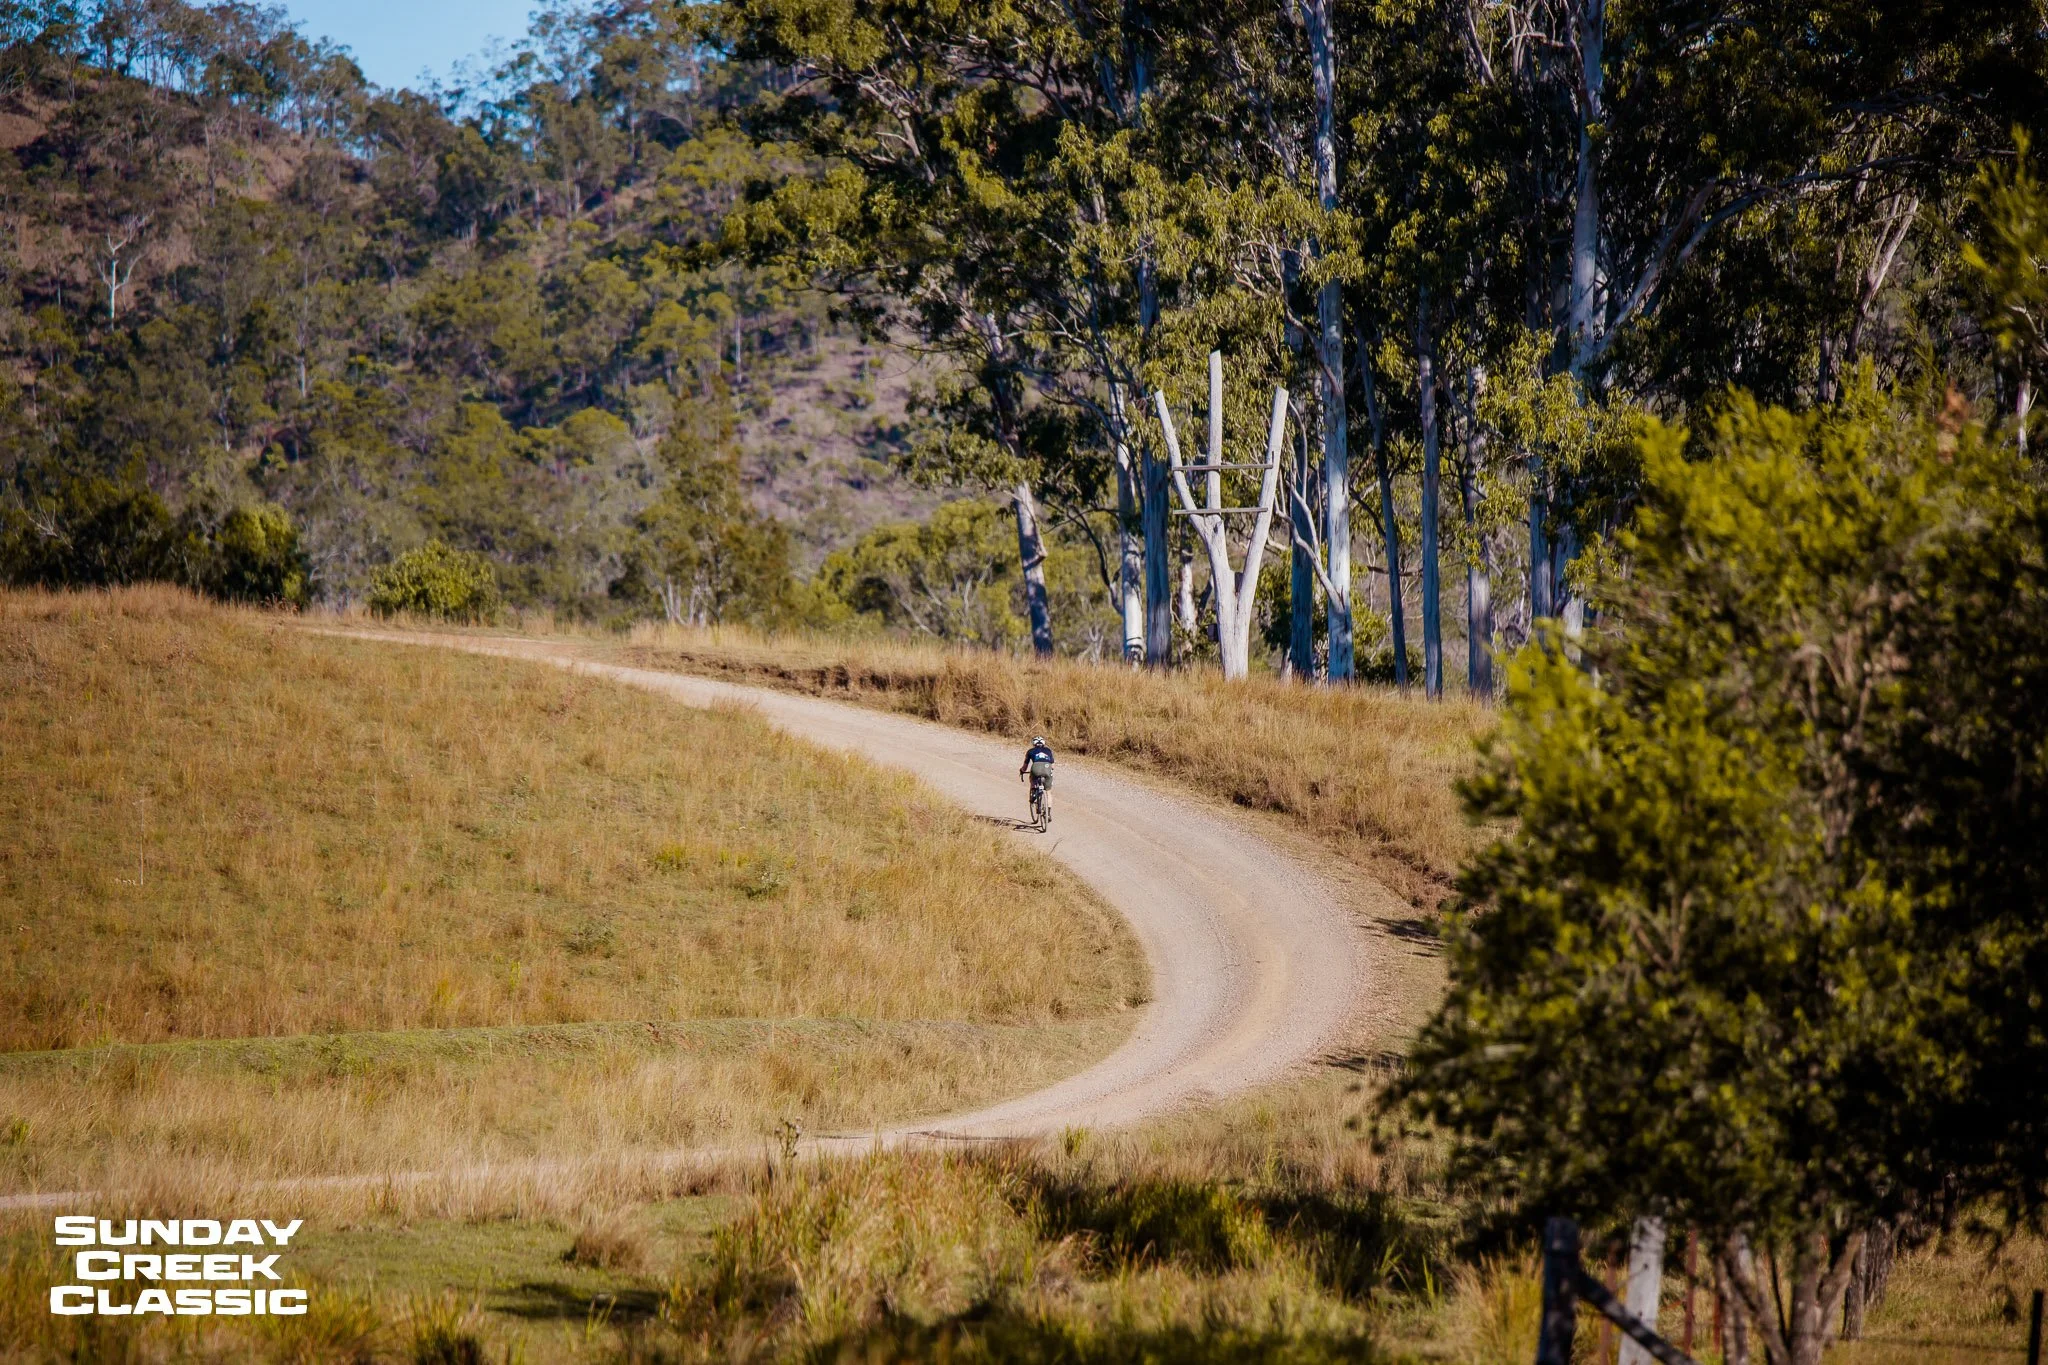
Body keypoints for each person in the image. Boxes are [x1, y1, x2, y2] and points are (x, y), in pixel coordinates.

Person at [1019, 735, 1054, 810]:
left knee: (1032, 778)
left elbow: (1025, 767)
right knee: (1048, 791)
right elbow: (1053, 766)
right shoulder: (1048, 750)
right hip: (1047, 767)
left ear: (1034, 743)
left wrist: (1022, 771)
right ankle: (1048, 812)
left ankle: (1034, 791)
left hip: (1036, 767)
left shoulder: (1030, 751)